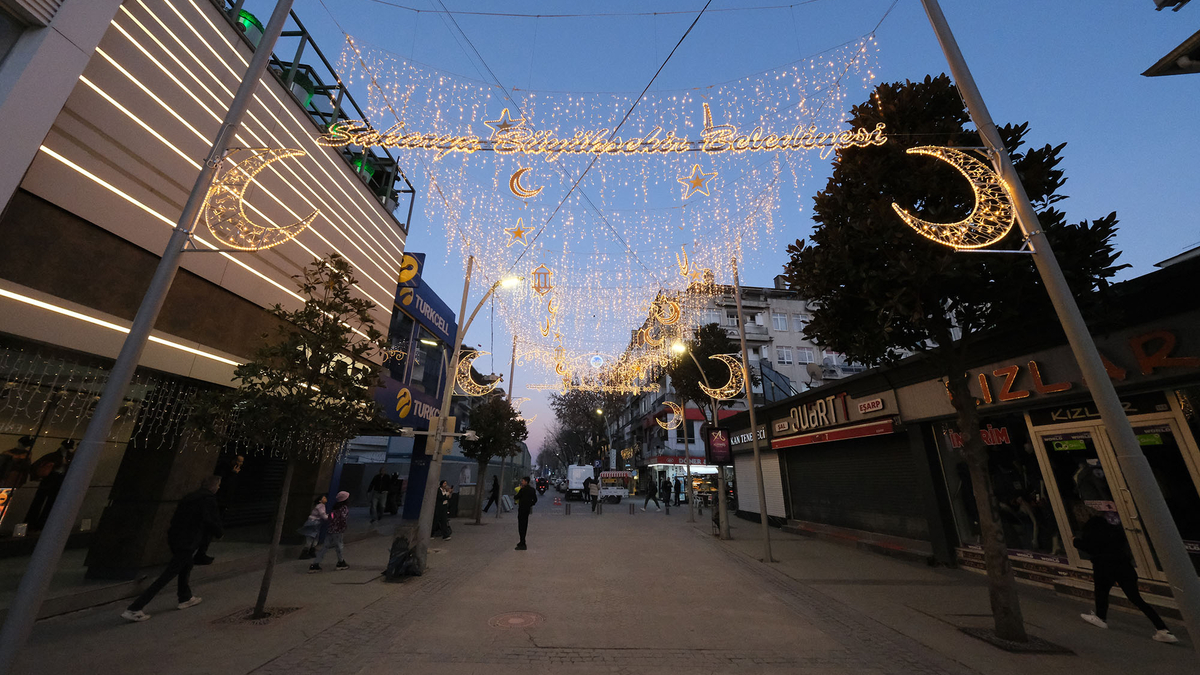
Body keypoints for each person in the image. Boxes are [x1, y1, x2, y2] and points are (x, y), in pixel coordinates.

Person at [121, 476, 223, 622]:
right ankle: (135, 608)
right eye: (218, 485)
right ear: (213, 486)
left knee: (186, 566)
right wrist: (219, 532)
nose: (219, 488)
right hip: (189, 541)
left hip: (176, 538)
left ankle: (185, 597)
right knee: (168, 574)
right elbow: (210, 520)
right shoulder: (208, 500)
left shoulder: (189, 498)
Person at [1074, 506, 1178, 643]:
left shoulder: (1094, 535)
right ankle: (1163, 629)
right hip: (1125, 567)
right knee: (1136, 598)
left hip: (1104, 568)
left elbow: (1088, 547)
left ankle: (1101, 618)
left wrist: (1074, 540)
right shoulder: (1113, 535)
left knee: (1101, 592)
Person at [195, 454, 243, 565]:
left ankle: (201, 552)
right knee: (208, 529)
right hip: (218, 503)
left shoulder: (233, 472)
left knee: (209, 530)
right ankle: (199, 553)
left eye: (241, 462)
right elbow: (224, 486)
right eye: (239, 461)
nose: (240, 464)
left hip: (222, 503)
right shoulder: (224, 471)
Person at [25, 439, 75, 530]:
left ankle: (41, 524)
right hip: (50, 478)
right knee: (39, 501)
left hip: (59, 479)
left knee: (50, 503)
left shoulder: (69, 456)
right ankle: (30, 523)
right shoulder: (53, 456)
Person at [310, 491, 350, 572]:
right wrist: (343, 526)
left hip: (331, 529)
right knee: (339, 545)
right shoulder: (344, 508)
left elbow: (330, 517)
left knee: (325, 546)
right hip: (338, 530)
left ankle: (315, 564)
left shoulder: (335, 508)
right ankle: (340, 562)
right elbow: (343, 518)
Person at [298, 495, 328, 559]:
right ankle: (307, 552)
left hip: (315, 523)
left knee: (313, 537)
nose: (325, 499)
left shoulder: (320, 506)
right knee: (312, 537)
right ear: (320, 500)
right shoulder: (320, 506)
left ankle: (310, 551)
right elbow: (323, 514)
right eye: (324, 498)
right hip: (314, 523)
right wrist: (329, 517)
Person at [515, 476, 538, 550]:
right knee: (525, 525)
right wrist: (530, 504)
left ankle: (522, 542)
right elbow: (535, 500)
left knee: (521, 526)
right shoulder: (532, 490)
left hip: (521, 509)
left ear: (526, 482)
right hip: (527, 509)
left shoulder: (523, 490)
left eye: (523, 481)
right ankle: (522, 541)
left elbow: (516, 497)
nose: (522, 482)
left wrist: (519, 490)